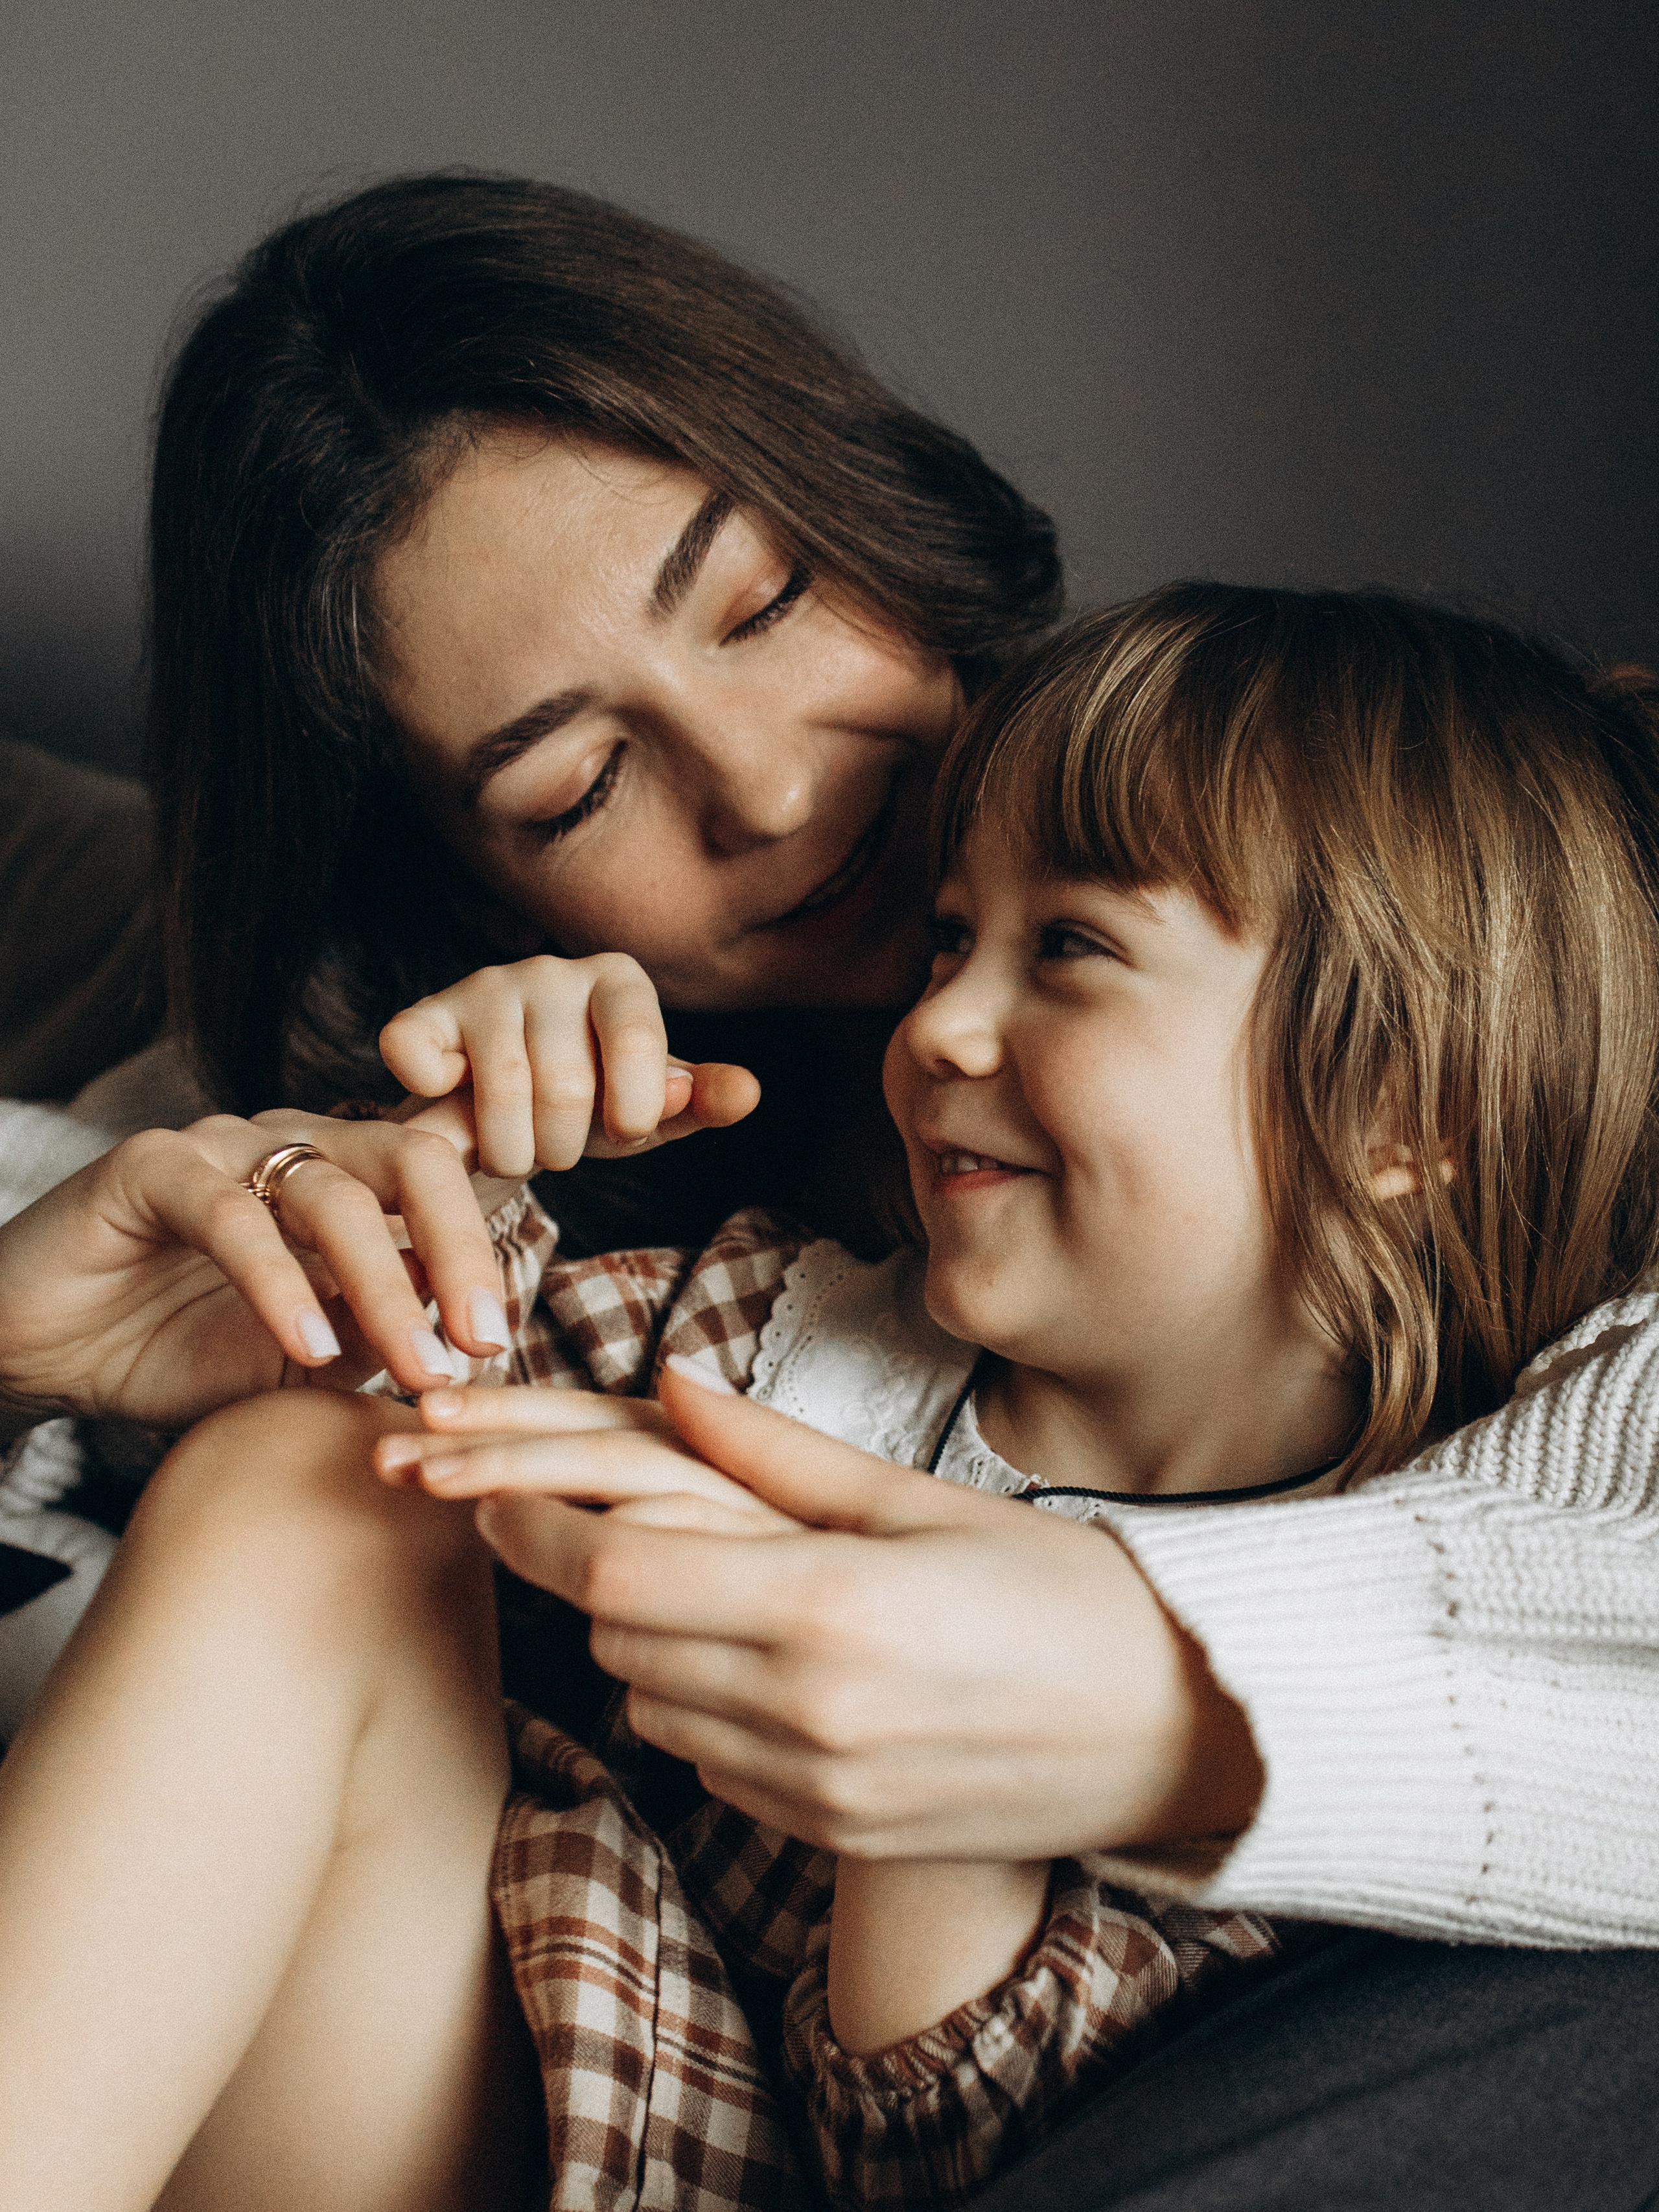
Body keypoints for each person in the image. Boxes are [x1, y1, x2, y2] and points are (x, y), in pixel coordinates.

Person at [2, 170, 1658, 2202]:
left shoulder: (1436, 874)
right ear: (458, 892)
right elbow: (214, 1323)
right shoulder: (527, 1177)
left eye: (770, 604)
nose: (775, 790)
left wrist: (1123, 1688)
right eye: (574, 787)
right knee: (306, 1475)